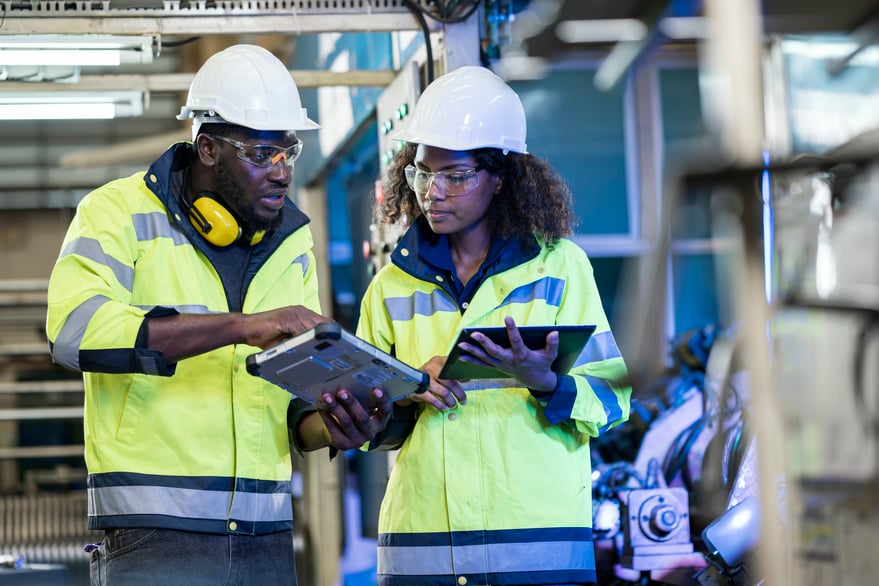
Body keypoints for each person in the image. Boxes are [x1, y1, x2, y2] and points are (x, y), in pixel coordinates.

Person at [45, 44, 391, 585]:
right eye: (261, 155)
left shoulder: (291, 243)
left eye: (289, 153)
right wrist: (241, 327)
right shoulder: (116, 211)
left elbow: (292, 409)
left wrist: (337, 425)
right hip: (153, 535)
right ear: (208, 148)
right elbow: (72, 333)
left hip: (267, 535)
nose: (281, 173)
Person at [356, 66, 632, 586]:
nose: (432, 192)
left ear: (501, 177)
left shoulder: (561, 267)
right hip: (423, 556)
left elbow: (614, 399)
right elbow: (364, 418)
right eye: (422, 174)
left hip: (538, 554)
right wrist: (407, 387)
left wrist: (546, 380)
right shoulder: (390, 287)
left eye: (455, 176)